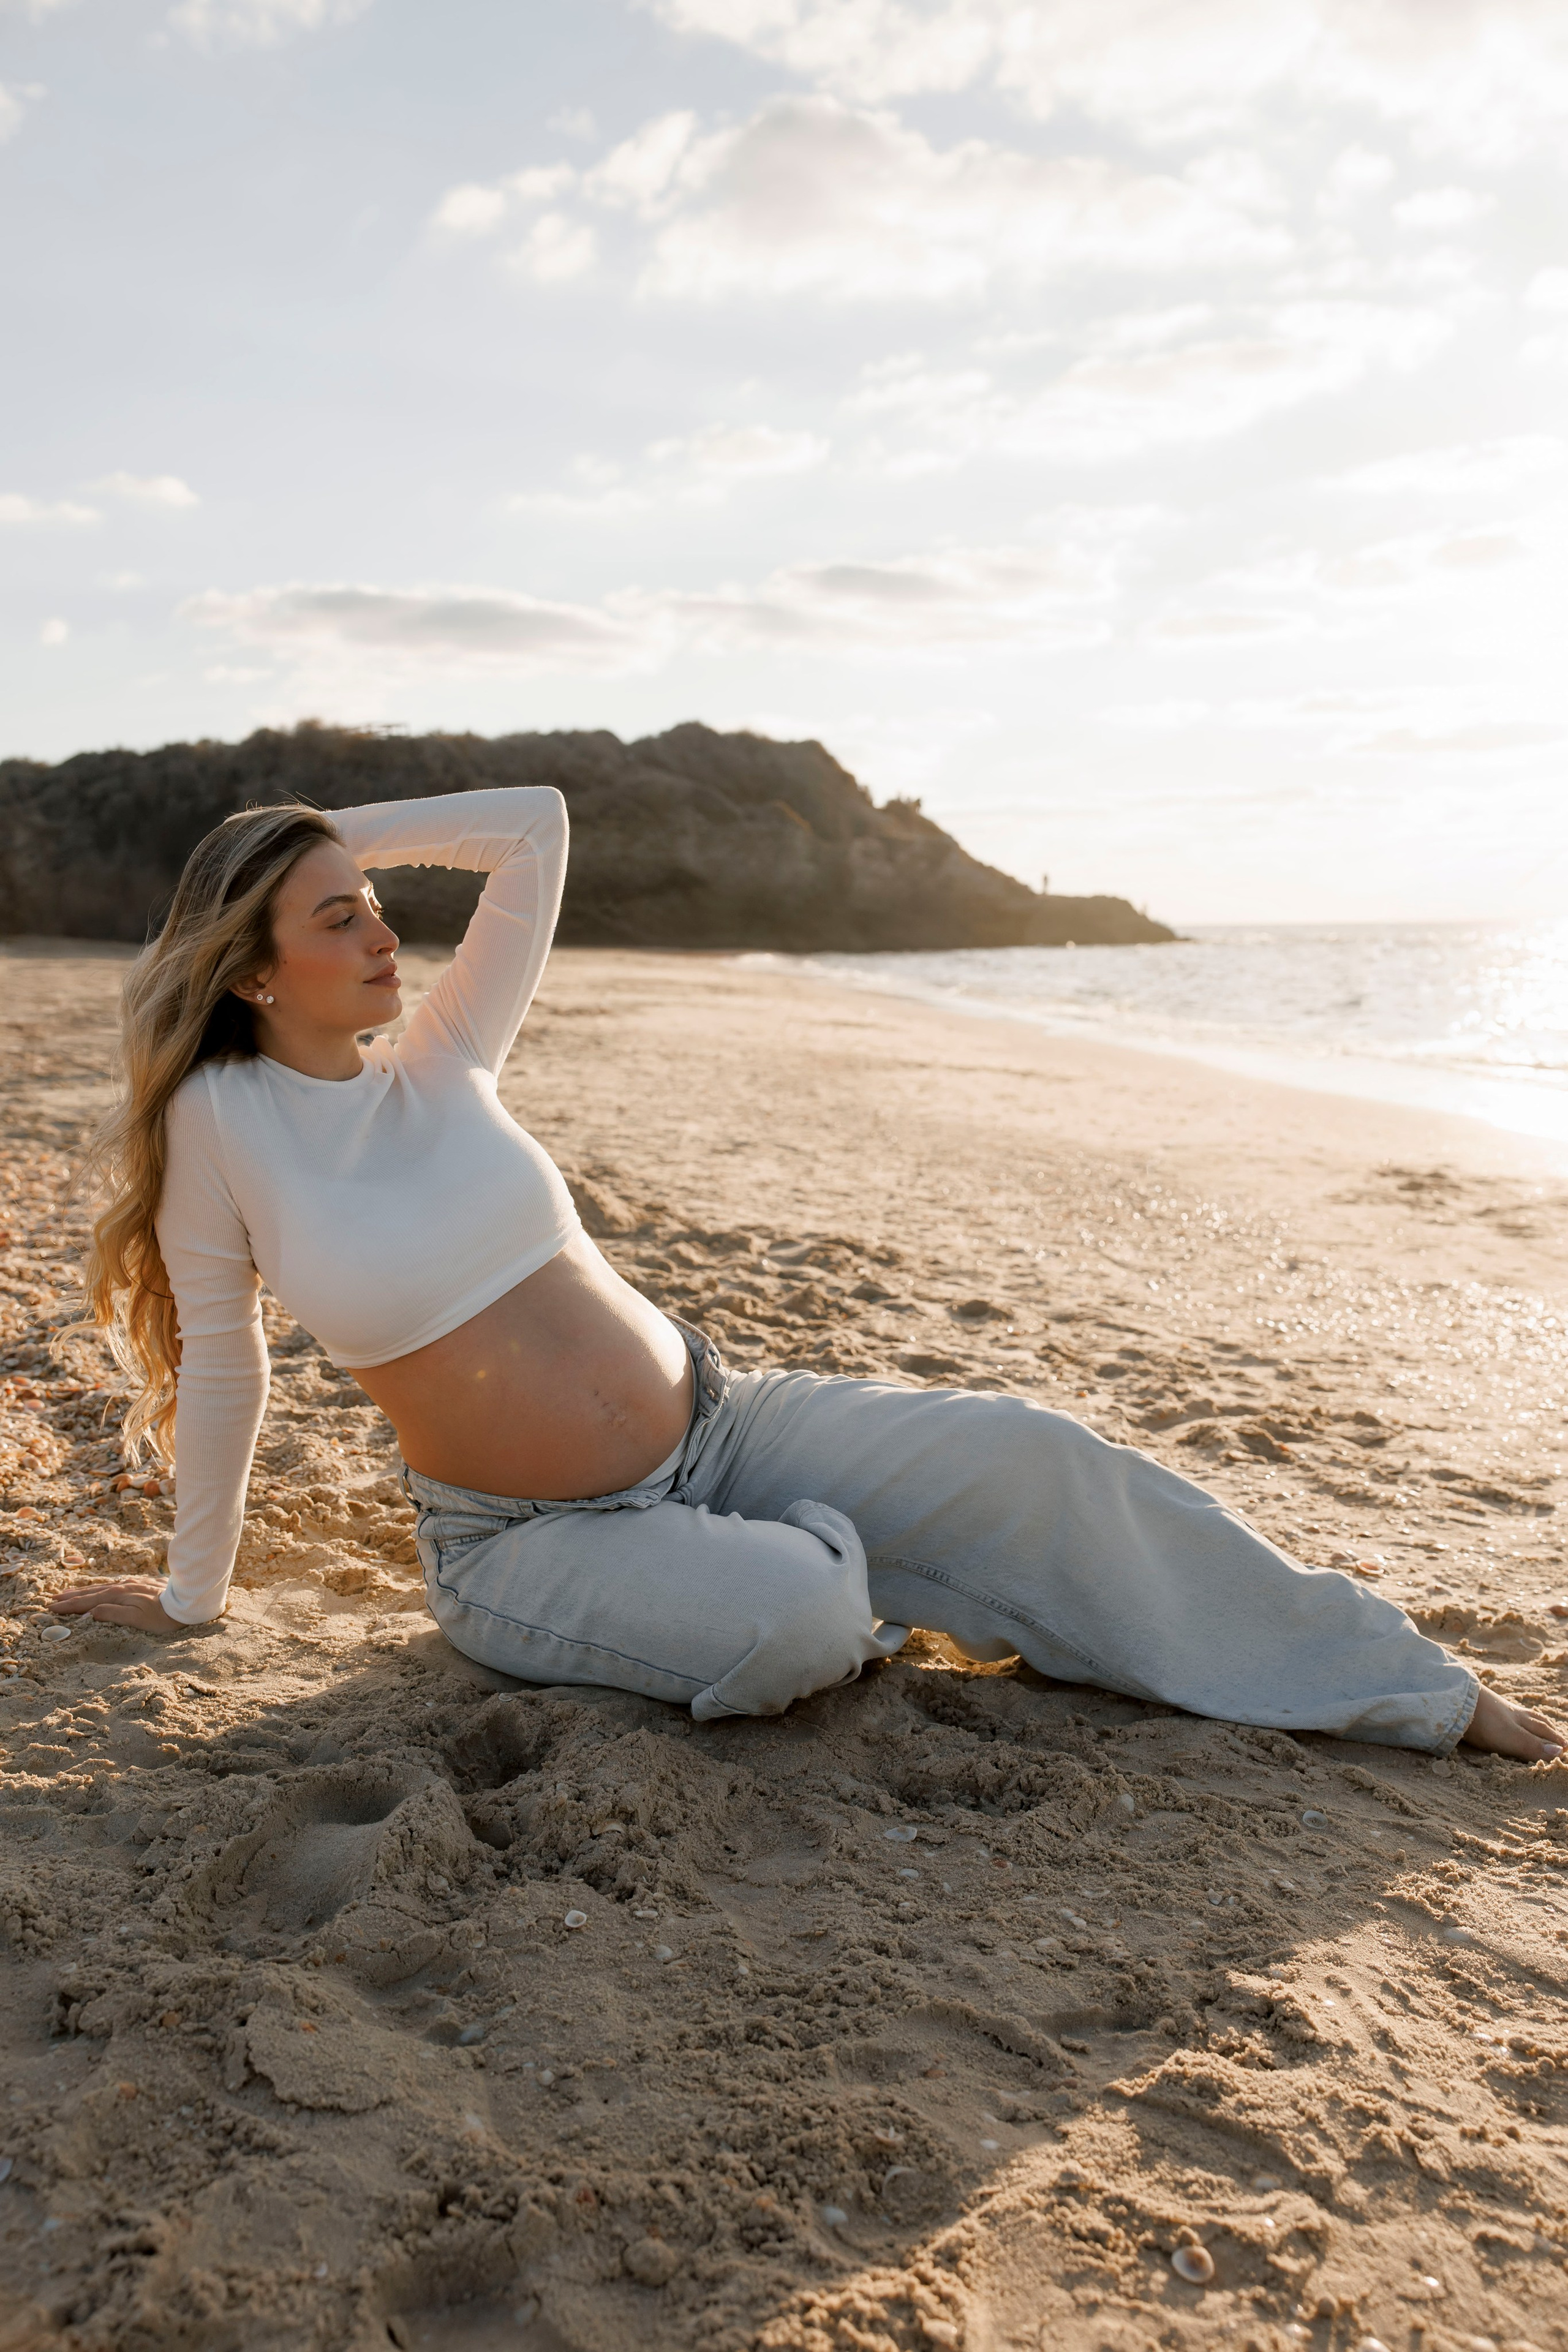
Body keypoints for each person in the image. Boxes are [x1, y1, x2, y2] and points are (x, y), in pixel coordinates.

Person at [54, 789, 1562, 1765]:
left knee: (1043, 1458)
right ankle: (856, 1576)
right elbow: (227, 1359)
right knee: (790, 1629)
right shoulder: (219, 1124)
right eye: (337, 920)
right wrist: (195, 1598)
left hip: (731, 1420)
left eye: (376, 904)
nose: (383, 931)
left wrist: (323, 837)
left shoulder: (441, 1060)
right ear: (252, 970)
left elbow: (534, 833)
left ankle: (1407, 1691)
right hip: (527, 1542)